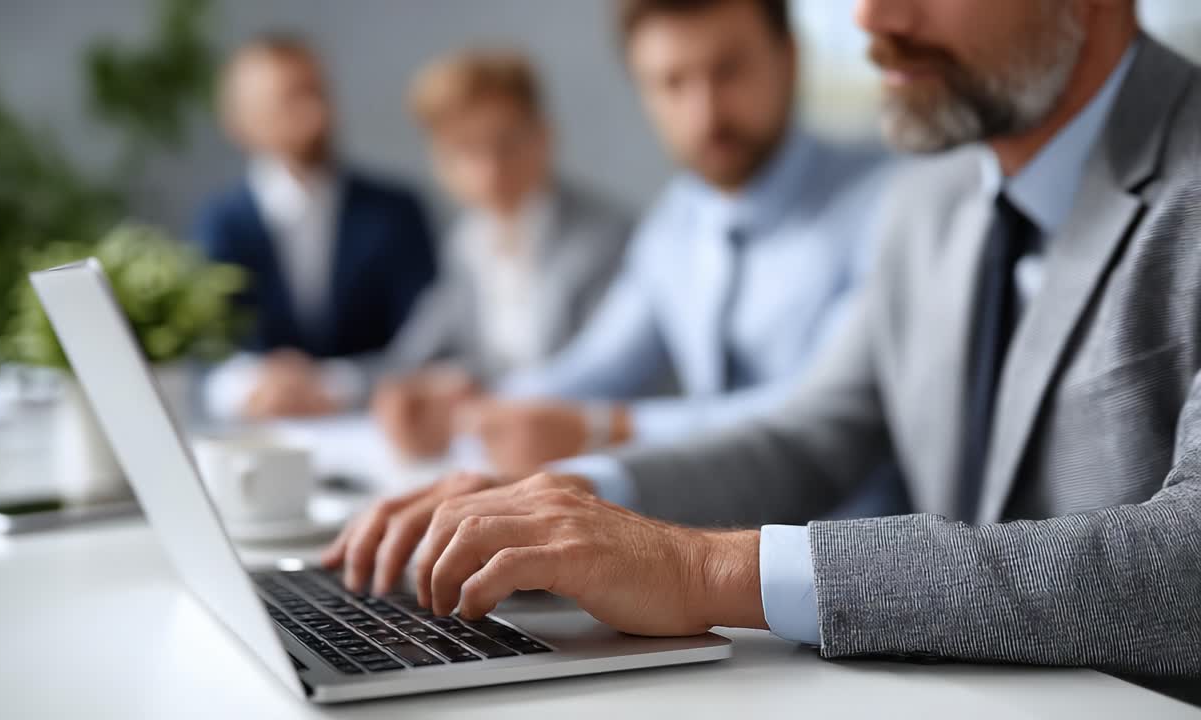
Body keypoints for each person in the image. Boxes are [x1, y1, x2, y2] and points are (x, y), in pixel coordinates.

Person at [324, 0, 1201, 680]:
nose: (873, 20)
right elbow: (816, 432)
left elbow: (1187, 567)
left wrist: (711, 570)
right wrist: (557, 502)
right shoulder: (929, 201)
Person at [381, 0, 893, 474]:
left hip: (850, 549)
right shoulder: (673, 225)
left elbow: (822, 414)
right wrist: (471, 408)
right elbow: (593, 367)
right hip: (710, 531)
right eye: (672, 82)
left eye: (728, 70)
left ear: (790, 58)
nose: (705, 113)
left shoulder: (887, 206)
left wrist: (604, 430)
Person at [371, 49, 633, 459]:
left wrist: (474, 397)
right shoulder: (466, 243)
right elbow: (412, 355)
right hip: (497, 449)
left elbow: (607, 375)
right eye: (466, 150)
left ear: (544, 136)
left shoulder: (604, 239)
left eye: (506, 143)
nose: (491, 168)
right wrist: (410, 391)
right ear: (440, 162)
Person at [197, 34, 437, 420]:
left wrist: (333, 384)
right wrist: (254, 385)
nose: (312, 111)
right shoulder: (220, 223)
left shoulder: (395, 213)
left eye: (317, 92)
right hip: (261, 431)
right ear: (239, 121)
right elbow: (206, 351)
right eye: (289, 98)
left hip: (371, 430)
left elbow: (427, 343)